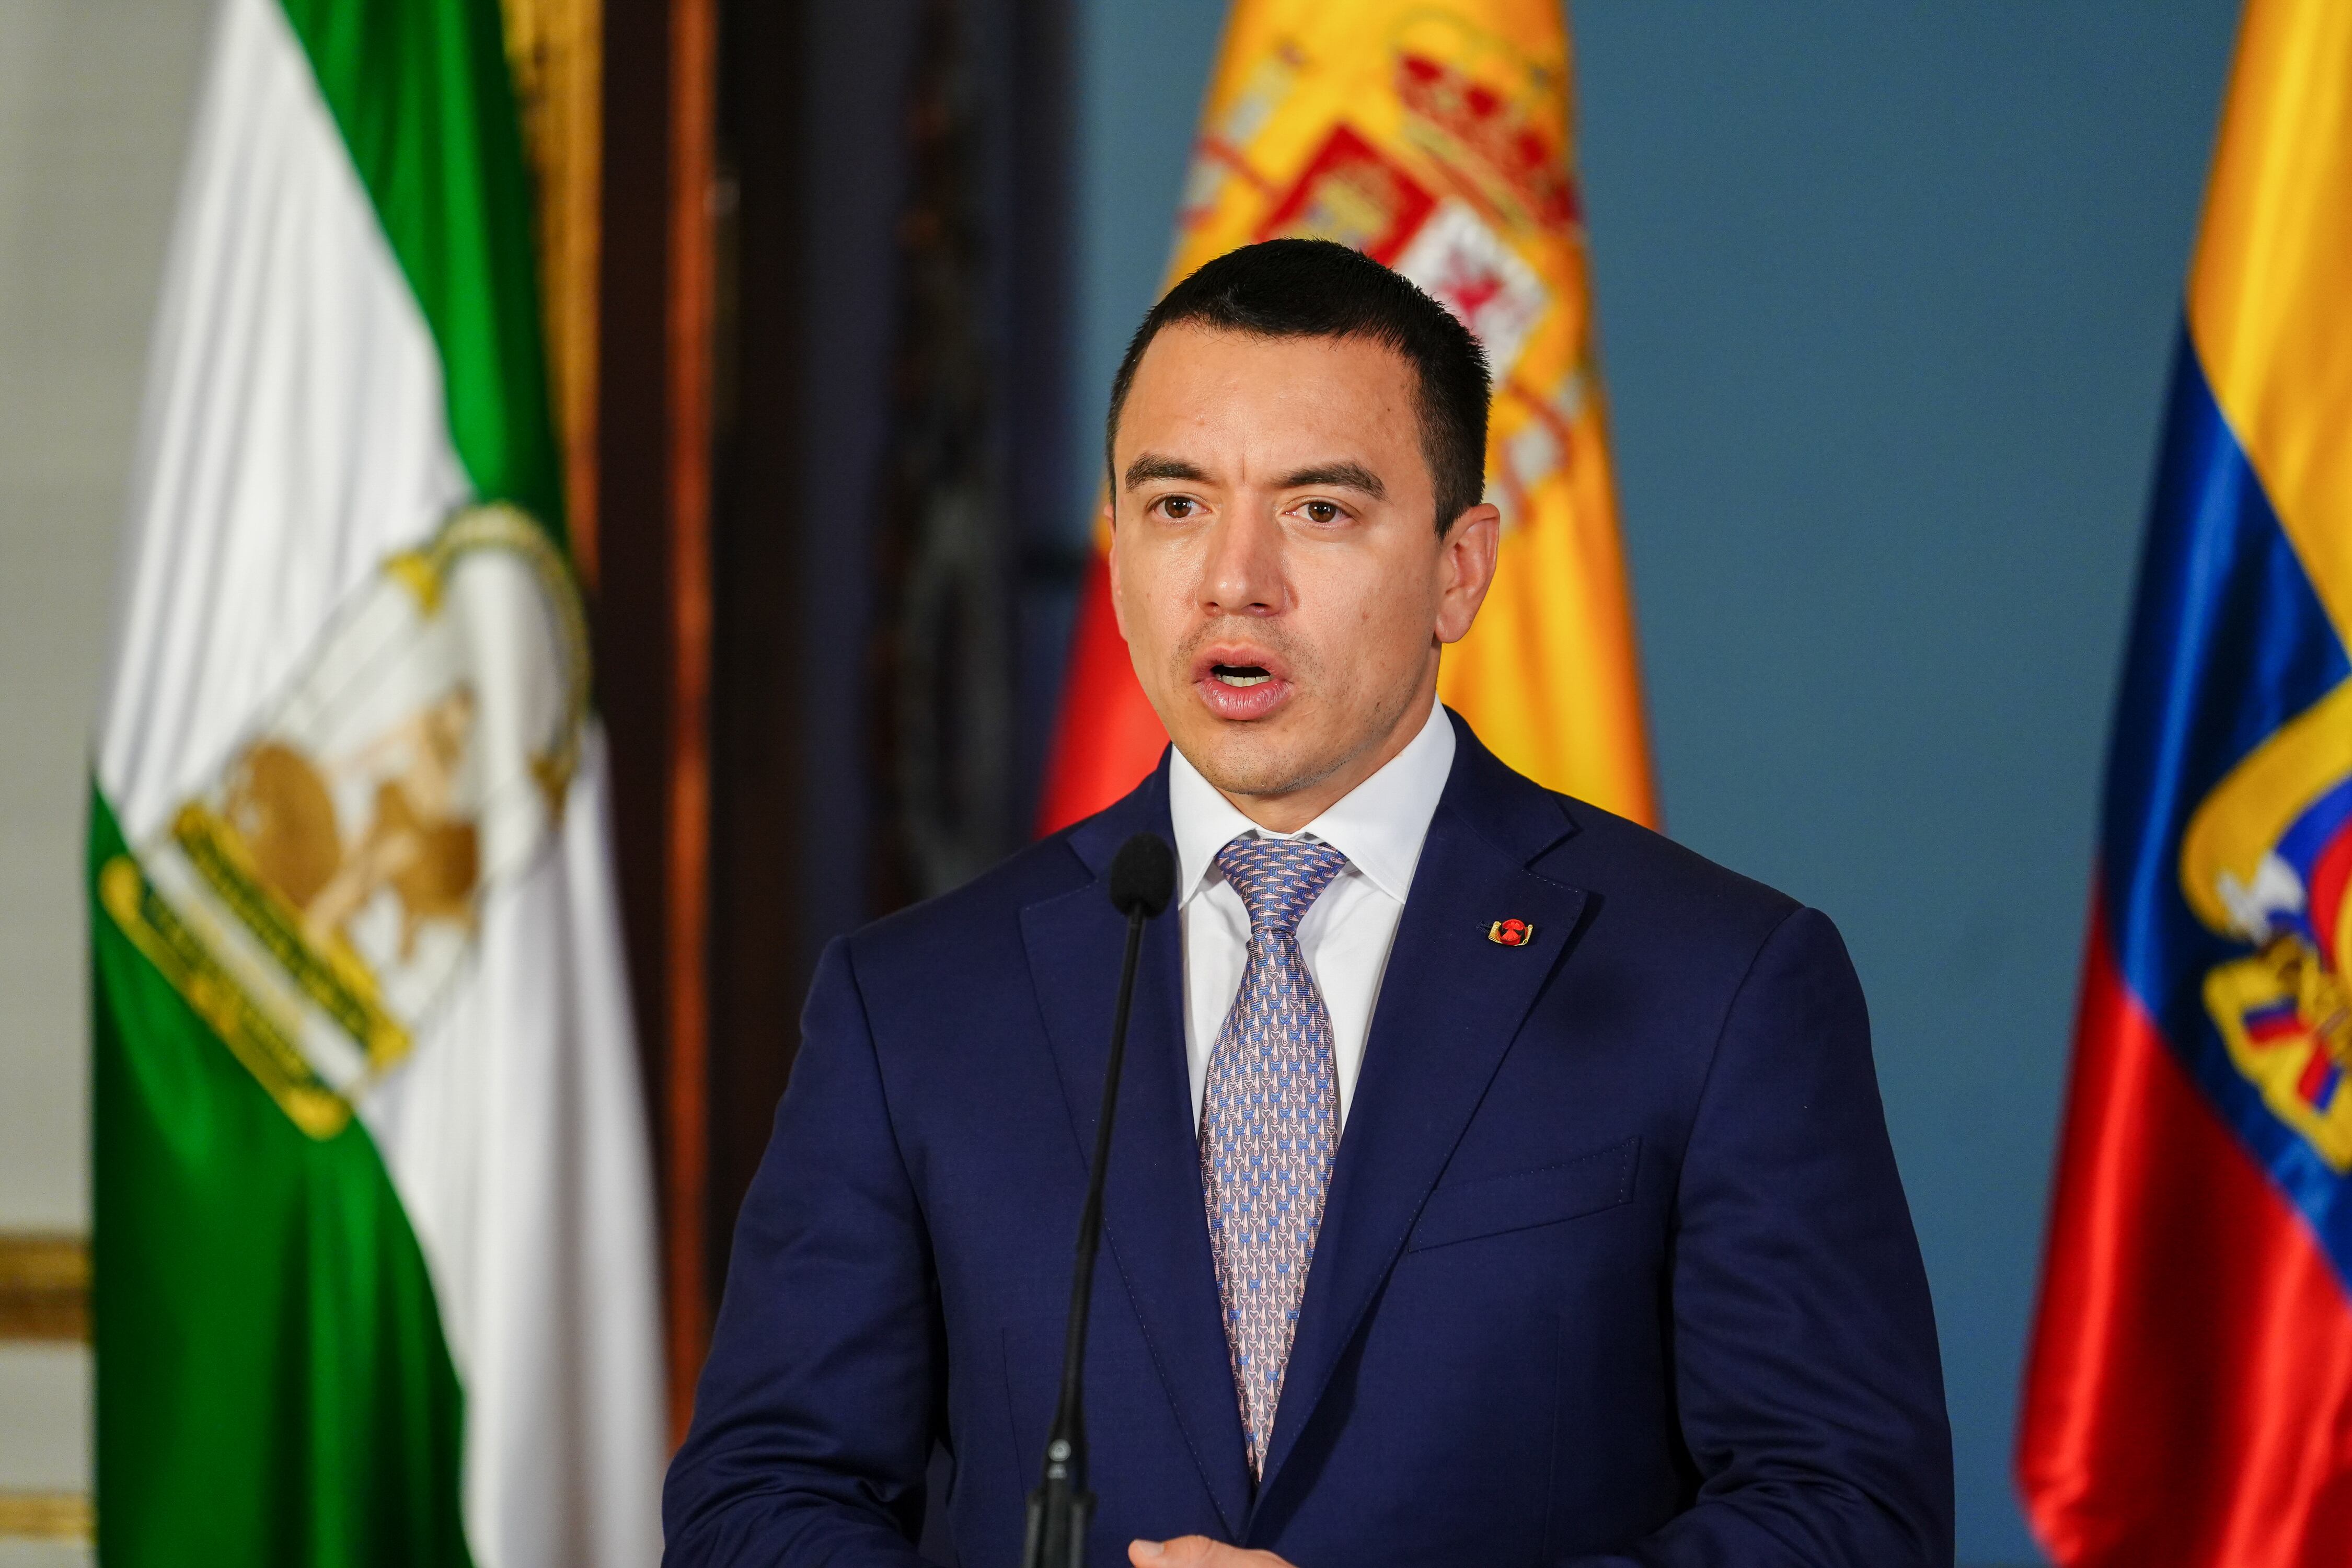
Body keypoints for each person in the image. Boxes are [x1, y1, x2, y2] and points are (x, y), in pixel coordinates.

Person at [664, 238, 1953, 1567]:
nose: (1235, 578)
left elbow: (1848, 1512)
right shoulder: (918, 1004)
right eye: (1175, 506)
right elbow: (759, 1503)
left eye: (1319, 510)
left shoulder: (1721, 983)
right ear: (1114, 558)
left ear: (1461, 568)